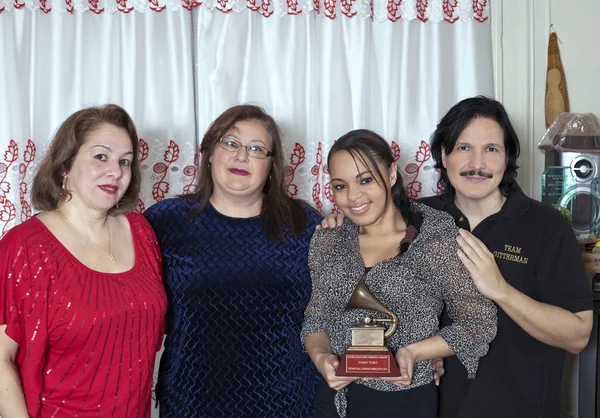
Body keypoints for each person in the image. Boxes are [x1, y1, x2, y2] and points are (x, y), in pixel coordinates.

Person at [302, 129, 497, 418]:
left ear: (392, 174)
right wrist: (321, 358)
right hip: (334, 400)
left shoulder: (435, 237)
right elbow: (317, 319)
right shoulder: (328, 239)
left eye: (366, 180)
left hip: (405, 401)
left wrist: (414, 353)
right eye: (340, 186)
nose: (353, 196)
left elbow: (478, 324)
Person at [144, 104, 324, 417]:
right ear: (210, 152)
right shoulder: (164, 222)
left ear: (271, 165)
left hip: (288, 402)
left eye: (257, 149)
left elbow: (334, 307)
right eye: (231, 143)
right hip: (192, 402)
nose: (242, 156)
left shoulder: (305, 224)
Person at [420, 96, 594, 418]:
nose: (477, 164)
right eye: (463, 147)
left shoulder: (546, 227)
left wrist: (499, 289)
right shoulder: (418, 218)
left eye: (491, 149)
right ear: (444, 156)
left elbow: (577, 335)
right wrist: (337, 225)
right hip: (433, 408)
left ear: (507, 157)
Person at [0, 104, 167, 418]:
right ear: (65, 165)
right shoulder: (24, 247)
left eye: (125, 162)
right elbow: (0, 360)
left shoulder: (141, 233)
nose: (115, 172)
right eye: (101, 157)